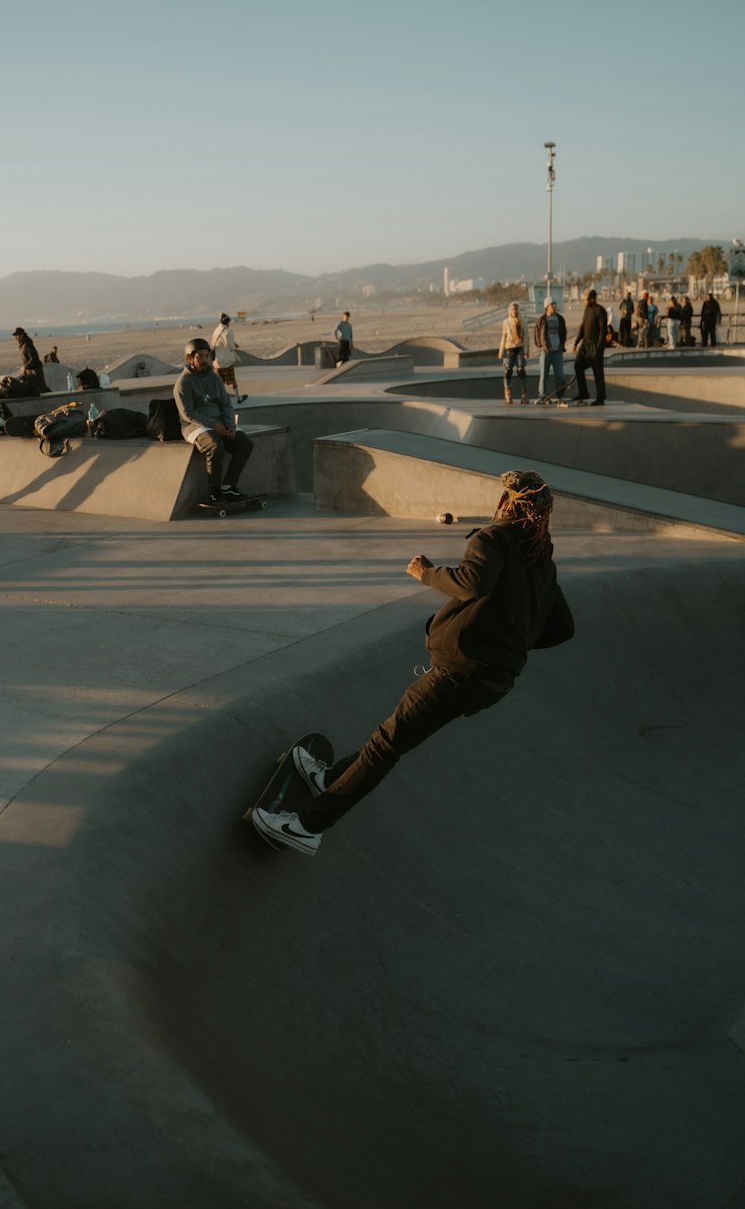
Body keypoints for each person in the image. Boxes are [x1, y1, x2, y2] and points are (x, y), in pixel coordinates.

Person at [252, 470, 575, 853]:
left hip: (460, 673)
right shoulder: (542, 562)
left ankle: (307, 826)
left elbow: (472, 582)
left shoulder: (496, 537)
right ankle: (330, 779)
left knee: (384, 748)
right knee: (393, 739)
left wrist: (426, 573)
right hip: (493, 682)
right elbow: (561, 628)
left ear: (507, 501)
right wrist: (509, 641)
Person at [173, 338, 253, 503]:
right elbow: (188, 413)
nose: (204, 360)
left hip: (219, 423)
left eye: (206, 356)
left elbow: (225, 404)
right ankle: (214, 492)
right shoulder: (183, 383)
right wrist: (213, 425)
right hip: (194, 426)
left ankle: (228, 487)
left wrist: (230, 425)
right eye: (199, 357)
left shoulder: (215, 378)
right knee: (216, 446)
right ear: (190, 359)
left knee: (244, 444)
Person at [572, 288, 608, 405]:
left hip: (595, 346)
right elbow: (583, 327)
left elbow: (603, 331)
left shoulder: (600, 311)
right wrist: (576, 342)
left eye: (586, 299)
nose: (584, 301)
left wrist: (599, 348)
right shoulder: (587, 310)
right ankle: (583, 393)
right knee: (578, 366)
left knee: (597, 372)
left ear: (592, 299)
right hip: (585, 346)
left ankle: (600, 398)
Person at [534, 297, 567, 401]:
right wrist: (542, 346)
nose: (554, 306)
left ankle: (560, 396)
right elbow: (536, 334)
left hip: (557, 351)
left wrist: (561, 345)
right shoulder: (542, 320)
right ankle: (542, 395)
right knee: (543, 375)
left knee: (560, 375)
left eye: (555, 304)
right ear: (546, 307)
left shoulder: (560, 319)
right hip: (546, 352)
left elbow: (564, 333)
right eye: (552, 304)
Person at [210, 312, 248, 404]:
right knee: (232, 380)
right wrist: (235, 345)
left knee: (220, 382)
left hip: (217, 362)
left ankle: (220, 400)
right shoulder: (228, 331)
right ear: (227, 322)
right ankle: (238, 398)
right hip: (227, 361)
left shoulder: (216, 330)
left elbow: (213, 345)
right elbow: (231, 347)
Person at [498, 300, 530, 403]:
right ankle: (507, 392)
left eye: (516, 309)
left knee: (521, 370)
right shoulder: (506, 322)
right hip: (509, 348)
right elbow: (503, 337)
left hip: (519, 348)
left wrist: (526, 351)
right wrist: (501, 351)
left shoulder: (522, 321)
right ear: (509, 311)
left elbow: (526, 337)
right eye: (512, 309)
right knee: (508, 371)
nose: (514, 311)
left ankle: (524, 392)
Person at [12, 326, 50, 392]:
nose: (15, 338)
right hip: (30, 371)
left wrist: (25, 367)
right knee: (35, 389)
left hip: (35, 371)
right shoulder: (23, 345)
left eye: (16, 336)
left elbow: (34, 359)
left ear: (21, 335)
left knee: (42, 388)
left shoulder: (27, 345)